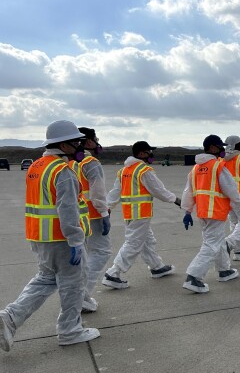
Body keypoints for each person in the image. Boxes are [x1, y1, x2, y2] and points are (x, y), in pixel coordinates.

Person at [1, 120, 99, 351]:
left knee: (45, 279)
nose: (80, 146)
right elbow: (67, 210)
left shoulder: (37, 166)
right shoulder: (62, 172)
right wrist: (76, 241)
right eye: (76, 142)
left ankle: (9, 318)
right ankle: (70, 330)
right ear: (63, 145)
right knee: (73, 284)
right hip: (62, 240)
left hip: (40, 237)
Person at [102, 141, 181, 289]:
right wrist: (176, 200)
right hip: (140, 213)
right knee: (133, 243)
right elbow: (158, 190)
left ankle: (156, 266)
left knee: (147, 241)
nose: (151, 154)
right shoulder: (144, 170)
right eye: (149, 151)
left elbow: (115, 192)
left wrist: (108, 206)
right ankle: (113, 273)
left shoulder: (125, 170)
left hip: (130, 214)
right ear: (141, 154)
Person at [180, 135, 240, 293]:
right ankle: (193, 276)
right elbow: (230, 188)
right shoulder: (217, 166)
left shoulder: (196, 169)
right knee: (212, 244)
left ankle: (224, 270)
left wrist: (188, 211)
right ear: (212, 148)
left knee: (215, 241)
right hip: (216, 211)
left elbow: (188, 192)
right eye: (220, 147)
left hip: (203, 212)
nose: (223, 150)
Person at [69, 127, 111, 313]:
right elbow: (97, 192)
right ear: (88, 142)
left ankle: (80, 295)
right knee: (101, 252)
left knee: (85, 256)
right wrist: (104, 214)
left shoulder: (69, 162)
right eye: (95, 139)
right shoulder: (91, 162)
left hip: (75, 214)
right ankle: (83, 295)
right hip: (92, 214)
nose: (97, 142)